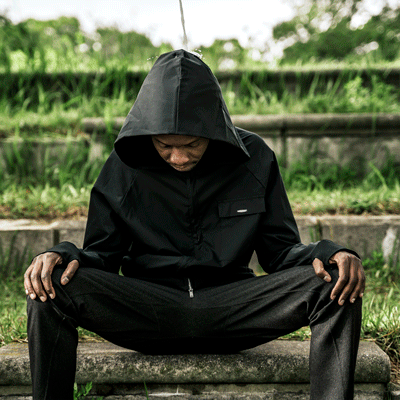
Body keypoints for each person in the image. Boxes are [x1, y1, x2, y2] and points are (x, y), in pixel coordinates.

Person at [24, 49, 365, 400]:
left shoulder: (255, 157)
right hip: (147, 309)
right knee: (48, 285)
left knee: (339, 281)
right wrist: (61, 254)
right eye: (164, 145)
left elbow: (279, 252)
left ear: (213, 131)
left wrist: (331, 252)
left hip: (233, 308)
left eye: (191, 144)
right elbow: (102, 255)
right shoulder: (125, 163)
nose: (179, 157)